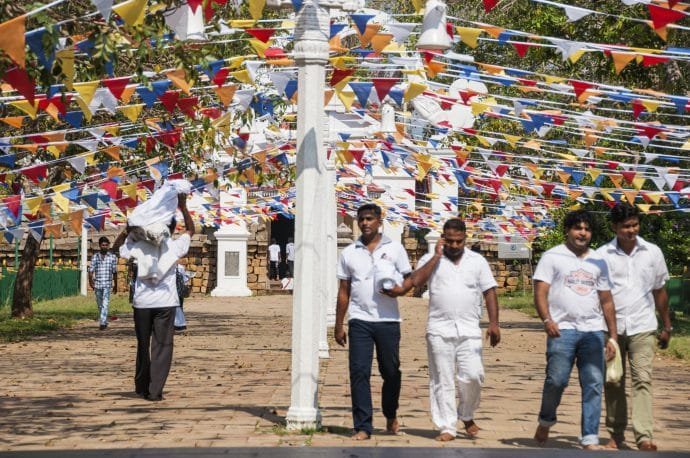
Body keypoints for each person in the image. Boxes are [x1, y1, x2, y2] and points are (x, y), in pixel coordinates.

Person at [532, 210, 618, 450]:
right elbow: (540, 291)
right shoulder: (552, 257)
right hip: (562, 331)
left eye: (587, 229)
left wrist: (612, 336)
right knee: (556, 381)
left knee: (593, 383)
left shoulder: (599, 261)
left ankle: (589, 437)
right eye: (578, 228)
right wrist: (547, 319)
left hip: (593, 331)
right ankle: (546, 420)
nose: (583, 233)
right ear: (568, 230)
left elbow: (607, 300)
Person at [408, 218, 500, 441]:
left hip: (469, 328)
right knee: (442, 379)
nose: (454, 245)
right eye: (450, 241)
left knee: (473, 376)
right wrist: (437, 256)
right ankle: (447, 426)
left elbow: (489, 292)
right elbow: (416, 282)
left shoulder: (477, 261)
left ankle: (466, 414)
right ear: (443, 238)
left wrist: (494, 323)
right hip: (439, 329)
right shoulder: (430, 259)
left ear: (465, 238)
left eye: (458, 241)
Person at [597, 203, 672, 451]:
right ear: (614, 227)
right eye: (626, 226)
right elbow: (597, 295)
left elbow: (660, 291)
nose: (631, 230)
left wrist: (667, 325)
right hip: (612, 329)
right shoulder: (602, 255)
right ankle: (616, 435)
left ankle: (644, 437)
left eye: (635, 225)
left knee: (643, 379)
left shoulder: (653, 252)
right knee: (614, 381)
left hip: (643, 325)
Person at [334, 203, 412, 440]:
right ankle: (363, 425)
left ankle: (390, 412)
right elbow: (344, 290)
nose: (365, 223)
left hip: (388, 320)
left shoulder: (395, 248)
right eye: (361, 219)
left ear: (379, 221)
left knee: (390, 371)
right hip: (359, 319)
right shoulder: (349, 253)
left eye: (369, 219)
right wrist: (339, 324)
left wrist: (399, 291)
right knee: (358, 371)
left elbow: (409, 279)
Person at [115, 194, 194, 401]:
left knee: (143, 344)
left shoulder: (137, 245)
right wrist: (184, 207)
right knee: (162, 345)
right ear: (171, 228)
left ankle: (141, 385)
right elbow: (191, 230)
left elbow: (116, 249)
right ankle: (155, 390)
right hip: (166, 303)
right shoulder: (174, 246)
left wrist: (129, 229)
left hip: (142, 303)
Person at [88, 236, 118, 330]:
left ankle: (103, 322)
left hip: (107, 284)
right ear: (100, 246)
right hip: (97, 284)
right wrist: (90, 282)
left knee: (105, 303)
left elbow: (114, 272)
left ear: (108, 245)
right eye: (102, 245)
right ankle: (103, 319)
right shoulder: (95, 257)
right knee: (100, 304)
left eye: (106, 245)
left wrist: (116, 285)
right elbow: (91, 270)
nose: (104, 246)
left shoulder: (112, 257)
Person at [174, 262, 192, 332]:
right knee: (179, 307)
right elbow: (185, 280)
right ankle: (179, 324)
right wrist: (188, 277)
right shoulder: (180, 267)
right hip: (179, 291)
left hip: (168, 292)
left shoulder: (164, 266)